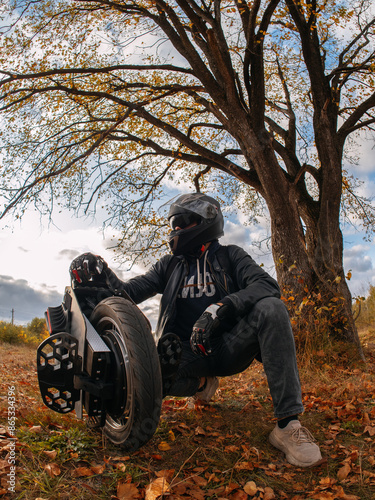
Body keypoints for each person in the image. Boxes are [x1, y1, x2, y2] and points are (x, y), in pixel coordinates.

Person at [69, 192, 322, 467]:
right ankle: (202, 384)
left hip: (227, 346)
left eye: (182, 221)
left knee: (272, 308)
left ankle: (288, 425)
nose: (175, 229)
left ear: (207, 220)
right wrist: (103, 274)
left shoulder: (230, 256)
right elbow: (128, 294)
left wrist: (222, 306)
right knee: (152, 371)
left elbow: (268, 286)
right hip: (181, 354)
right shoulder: (169, 265)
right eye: (173, 224)